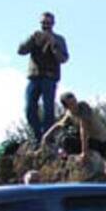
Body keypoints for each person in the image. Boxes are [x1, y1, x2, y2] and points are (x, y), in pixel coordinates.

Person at [18, 12, 69, 143]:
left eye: (48, 23)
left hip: (49, 78)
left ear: (53, 24)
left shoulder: (59, 39)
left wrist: (54, 45)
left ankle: (48, 137)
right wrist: (32, 40)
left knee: (48, 110)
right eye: (43, 23)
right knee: (29, 108)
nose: (46, 26)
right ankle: (37, 135)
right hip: (34, 77)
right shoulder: (35, 36)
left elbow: (64, 58)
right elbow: (20, 51)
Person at [41, 92, 106, 163]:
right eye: (71, 104)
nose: (75, 105)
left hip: (101, 141)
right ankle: (63, 157)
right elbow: (59, 124)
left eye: (75, 101)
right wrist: (46, 136)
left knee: (68, 140)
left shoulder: (83, 107)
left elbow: (83, 129)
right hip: (91, 140)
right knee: (62, 137)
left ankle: (70, 160)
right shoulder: (69, 113)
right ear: (66, 107)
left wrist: (84, 152)